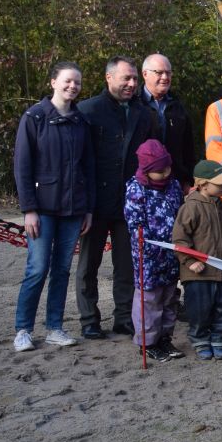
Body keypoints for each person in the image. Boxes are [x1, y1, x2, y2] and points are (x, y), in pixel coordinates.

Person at [12, 61, 94, 352]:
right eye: (68, 81)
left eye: (77, 83)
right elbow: (23, 166)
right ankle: (23, 329)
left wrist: (88, 209)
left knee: (62, 269)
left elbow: (88, 167)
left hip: (74, 210)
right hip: (42, 209)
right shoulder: (34, 117)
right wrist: (29, 209)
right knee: (37, 268)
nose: (73, 86)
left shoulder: (81, 122)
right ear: (53, 82)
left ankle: (54, 328)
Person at [75, 56, 157, 340]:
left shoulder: (144, 114)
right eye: (126, 78)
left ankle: (124, 317)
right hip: (95, 203)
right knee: (89, 264)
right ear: (109, 78)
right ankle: (89, 319)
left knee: (126, 264)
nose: (132, 84)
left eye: (135, 79)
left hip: (130, 203)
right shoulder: (87, 111)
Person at [123, 139, 185, 363]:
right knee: (150, 300)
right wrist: (147, 243)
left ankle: (165, 338)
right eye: (160, 171)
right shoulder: (136, 189)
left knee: (170, 297)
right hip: (148, 256)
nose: (166, 173)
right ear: (148, 171)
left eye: (167, 167)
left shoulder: (174, 186)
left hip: (171, 253)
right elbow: (134, 222)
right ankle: (148, 342)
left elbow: (180, 213)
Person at [173, 160, 222, 360]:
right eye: (219, 183)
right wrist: (190, 261)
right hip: (198, 275)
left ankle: (220, 341)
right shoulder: (190, 208)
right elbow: (179, 238)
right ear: (202, 184)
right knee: (200, 310)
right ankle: (200, 340)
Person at [139, 54, 198, 190]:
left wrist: (188, 180)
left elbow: (188, 148)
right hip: (143, 186)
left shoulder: (178, 106)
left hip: (174, 184)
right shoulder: (134, 105)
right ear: (145, 74)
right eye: (159, 72)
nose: (165, 77)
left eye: (168, 72)